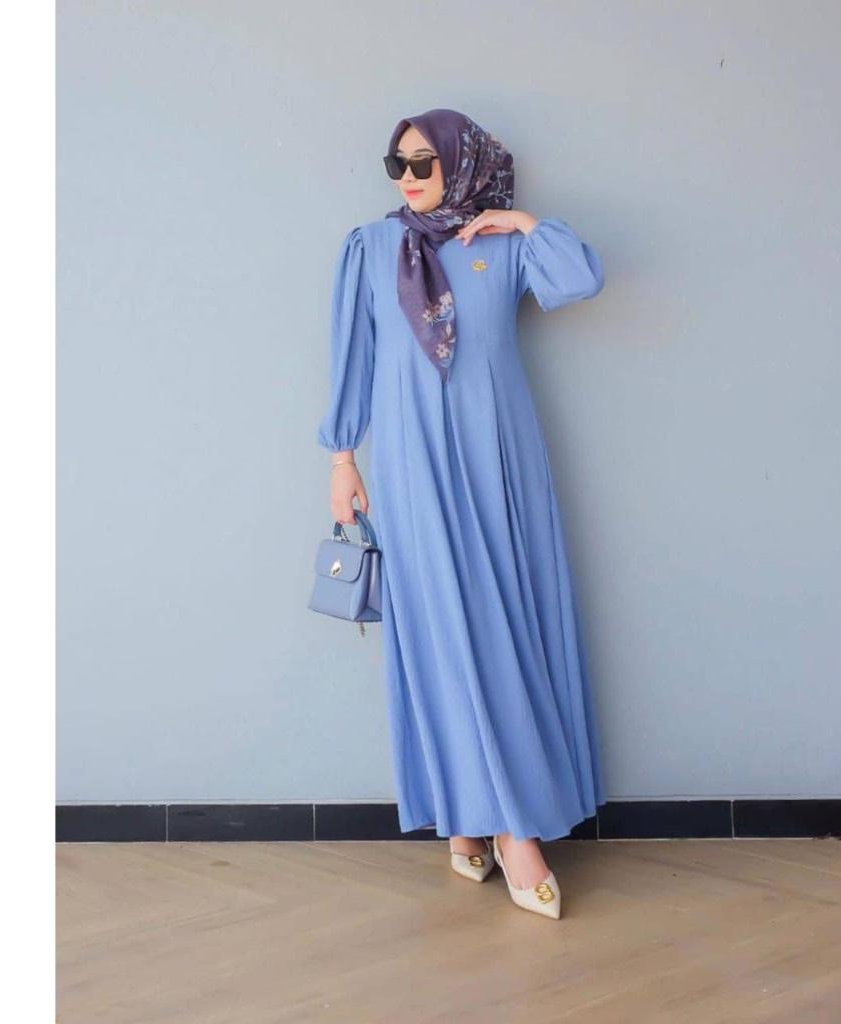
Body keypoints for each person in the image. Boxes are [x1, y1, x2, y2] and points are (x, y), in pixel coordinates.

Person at [316, 108, 607, 919]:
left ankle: (490, 822)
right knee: (444, 630)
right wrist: (342, 459)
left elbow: (580, 279)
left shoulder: (502, 244)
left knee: (506, 626)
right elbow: (353, 356)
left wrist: (523, 221)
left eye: (424, 161)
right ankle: (489, 822)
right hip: (411, 463)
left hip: (501, 460)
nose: (409, 177)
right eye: (397, 163)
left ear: (461, 162)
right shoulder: (371, 247)